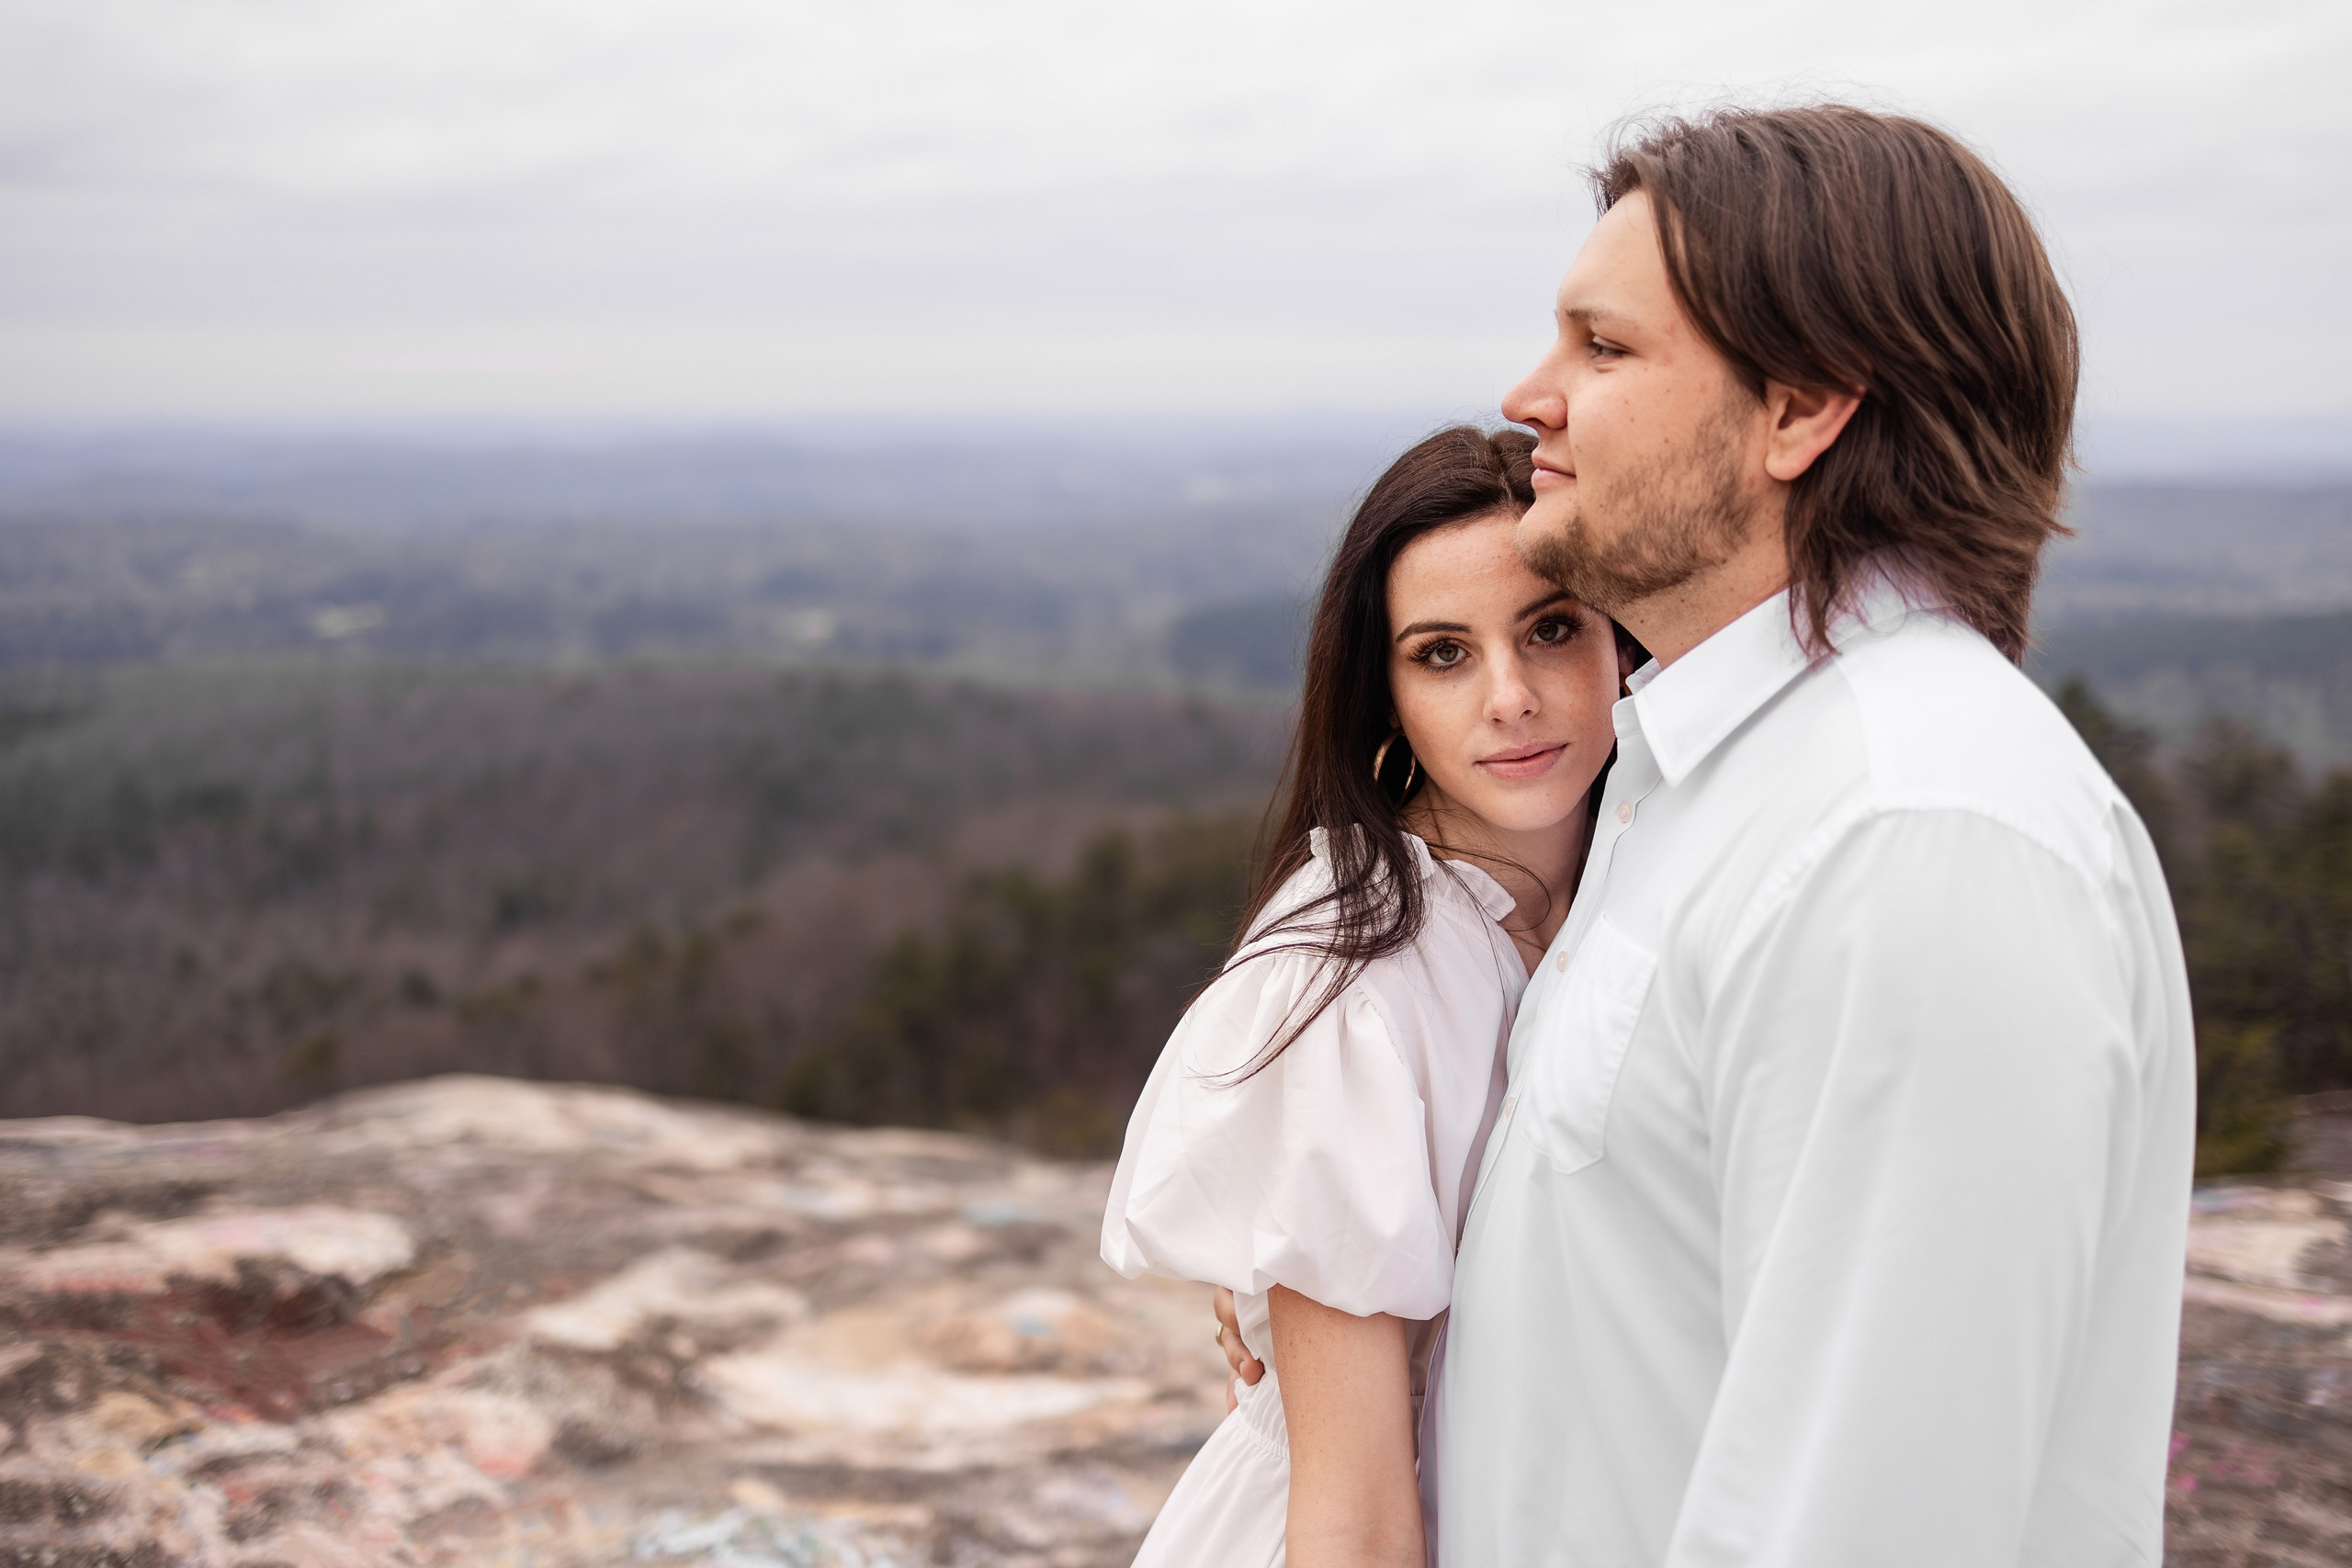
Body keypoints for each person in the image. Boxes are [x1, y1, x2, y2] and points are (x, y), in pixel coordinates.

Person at [1423, 106, 2195, 1565]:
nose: (1533, 393)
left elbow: (1868, 1519)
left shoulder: (1911, 834)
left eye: (1604, 347)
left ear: (1800, 409)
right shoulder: (1727, 780)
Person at [1100, 425, 1635, 1568]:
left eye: (1550, 629)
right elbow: (1354, 1524)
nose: (1510, 698)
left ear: (1623, 644)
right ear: (1383, 696)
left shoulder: (1657, 875)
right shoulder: (1351, 982)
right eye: (1442, 654)